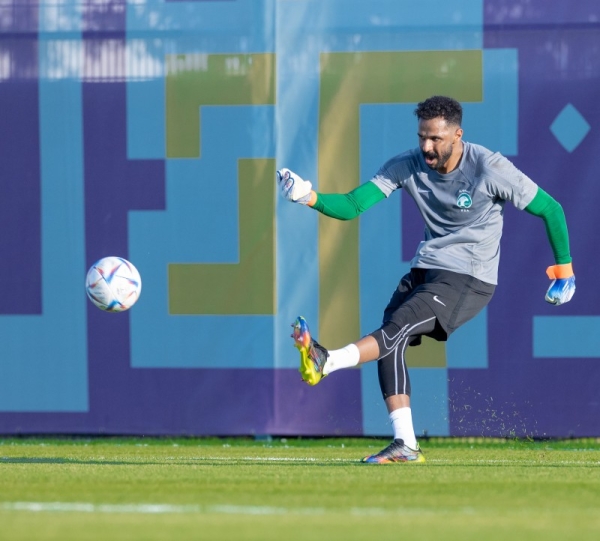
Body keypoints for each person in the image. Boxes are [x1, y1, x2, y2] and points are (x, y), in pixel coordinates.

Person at [276, 95, 575, 464]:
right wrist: (309, 196)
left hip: (469, 278)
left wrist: (565, 271)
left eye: (435, 138)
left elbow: (551, 208)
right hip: (426, 269)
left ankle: (326, 360)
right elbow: (354, 205)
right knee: (390, 338)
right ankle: (406, 443)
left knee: (395, 330)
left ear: (457, 135)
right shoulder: (408, 165)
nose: (426, 147)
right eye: (422, 137)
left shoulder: (489, 167)